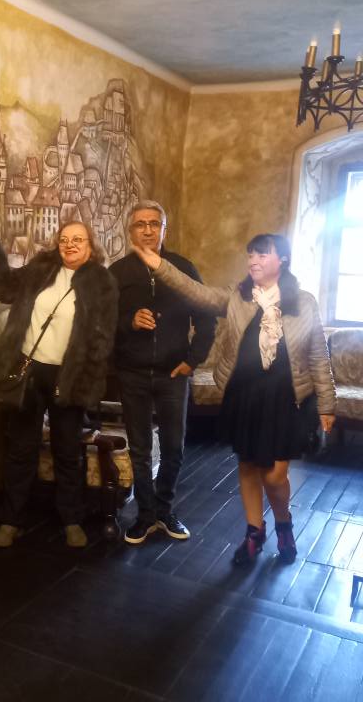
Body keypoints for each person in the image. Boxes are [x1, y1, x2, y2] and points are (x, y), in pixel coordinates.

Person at [132, 231, 336, 565]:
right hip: (245, 395)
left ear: (282, 259)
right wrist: (159, 265)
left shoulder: (304, 302)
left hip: (287, 399)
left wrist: (327, 403)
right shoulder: (238, 297)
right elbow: (196, 293)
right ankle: (254, 532)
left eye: (262, 254)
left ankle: (283, 523)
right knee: (248, 466)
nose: (253, 261)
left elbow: (317, 355)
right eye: (251, 255)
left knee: (274, 475)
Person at [0, 220, 118, 548]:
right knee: (21, 448)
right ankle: (11, 519)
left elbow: (102, 339)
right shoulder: (41, 268)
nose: (70, 245)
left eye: (78, 239)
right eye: (64, 239)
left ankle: (72, 519)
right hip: (30, 371)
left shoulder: (101, 282)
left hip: (70, 376)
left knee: (67, 451)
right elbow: (6, 289)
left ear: (91, 245)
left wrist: (87, 381)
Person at [109, 201, 216, 545]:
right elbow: (102, 322)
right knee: (140, 450)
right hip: (132, 373)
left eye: (154, 224)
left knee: (173, 447)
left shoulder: (183, 268)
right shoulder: (118, 272)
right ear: (130, 231)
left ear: (164, 230)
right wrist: (128, 321)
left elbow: (206, 317)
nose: (147, 230)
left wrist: (193, 360)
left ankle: (165, 510)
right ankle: (145, 516)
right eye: (140, 224)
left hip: (174, 374)